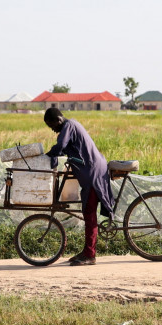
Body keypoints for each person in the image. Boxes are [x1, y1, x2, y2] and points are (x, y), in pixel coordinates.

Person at [43, 108, 114, 266]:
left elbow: (61, 145)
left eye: (51, 125)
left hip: (93, 173)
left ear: (58, 120)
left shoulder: (68, 126)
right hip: (93, 169)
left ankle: (90, 254)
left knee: (89, 213)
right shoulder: (72, 124)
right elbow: (64, 149)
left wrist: (47, 155)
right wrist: (54, 157)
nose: (52, 129)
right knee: (87, 211)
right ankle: (87, 251)